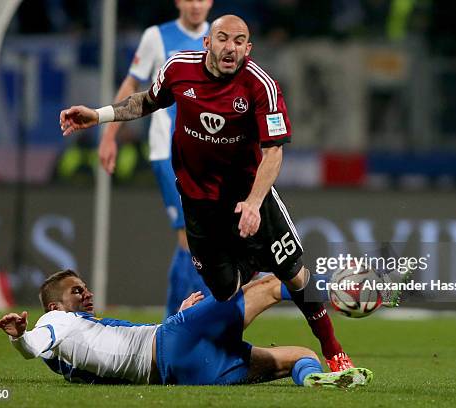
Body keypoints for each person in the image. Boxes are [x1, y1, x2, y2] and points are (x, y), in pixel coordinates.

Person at [60, 14, 353, 372]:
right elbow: (147, 101)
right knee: (225, 294)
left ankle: (334, 350)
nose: (230, 47)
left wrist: (255, 203)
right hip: (200, 206)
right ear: (207, 43)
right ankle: (245, 308)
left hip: (250, 199)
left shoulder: (261, 86)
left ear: (248, 48)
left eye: (239, 41)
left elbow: (274, 151)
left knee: (294, 272)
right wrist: (99, 115)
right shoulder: (178, 70)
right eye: (223, 39)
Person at [0, 269, 373, 387]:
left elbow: (122, 356)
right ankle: (346, 291)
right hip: (176, 338)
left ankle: (314, 381)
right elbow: (33, 345)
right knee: (274, 283)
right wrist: (20, 338)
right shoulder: (55, 321)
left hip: (180, 372)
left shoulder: (68, 364)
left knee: (298, 358)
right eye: (78, 291)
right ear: (54, 306)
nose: (88, 294)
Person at [101, 0, 214, 317]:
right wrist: (109, 136)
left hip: (208, 153)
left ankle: (179, 324)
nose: (196, 5)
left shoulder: (219, 38)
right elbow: (132, 84)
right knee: (190, 238)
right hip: (169, 150)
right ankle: (183, 323)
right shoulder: (157, 36)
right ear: (178, 1)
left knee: (205, 239)